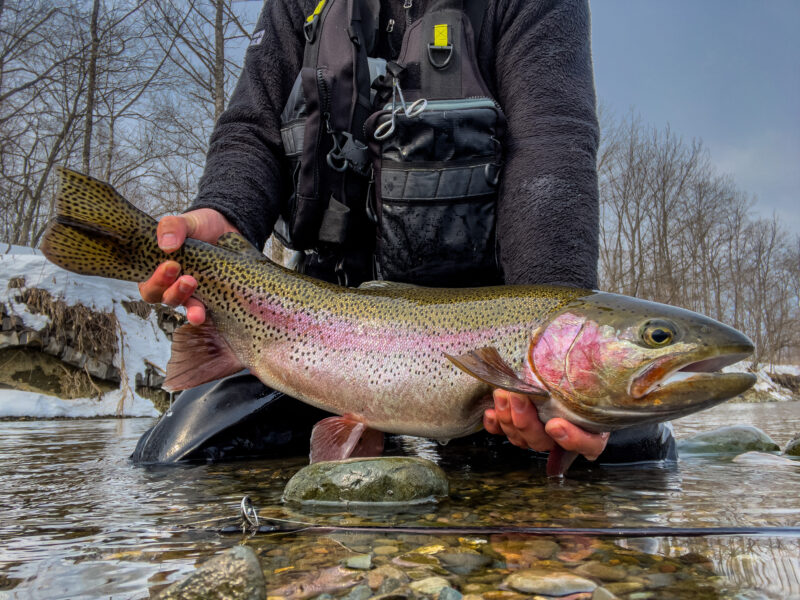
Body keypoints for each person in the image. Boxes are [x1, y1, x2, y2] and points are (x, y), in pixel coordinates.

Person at [133, 0, 674, 466]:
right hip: (314, 324)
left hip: (482, 336)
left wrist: (548, 340)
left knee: (629, 450)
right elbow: (253, 129)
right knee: (176, 458)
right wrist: (223, 214)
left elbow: (551, 146)